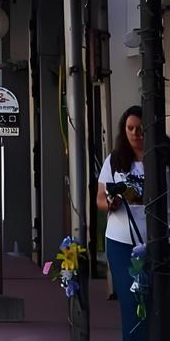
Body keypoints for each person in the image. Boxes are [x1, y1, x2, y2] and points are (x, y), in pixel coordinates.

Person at [98, 105, 146, 340]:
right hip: (121, 240)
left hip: (156, 238)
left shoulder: (163, 157)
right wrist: (112, 203)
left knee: (155, 300)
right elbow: (99, 199)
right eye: (130, 128)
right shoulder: (115, 160)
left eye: (140, 129)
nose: (136, 134)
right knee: (130, 301)